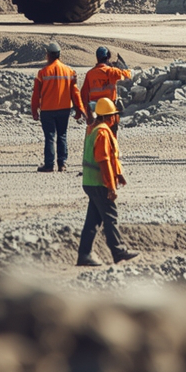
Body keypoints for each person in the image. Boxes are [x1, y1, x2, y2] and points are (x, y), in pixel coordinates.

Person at [76, 97, 138, 267]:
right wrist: (110, 187)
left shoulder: (92, 129)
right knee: (111, 217)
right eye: (114, 115)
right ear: (109, 117)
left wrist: (119, 175)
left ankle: (84, 254)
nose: (115, 119)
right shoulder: (103, 132)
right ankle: (118, 252)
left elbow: (109, 160)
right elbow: (103, 161)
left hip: (89, 182)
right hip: (98, 182)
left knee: (93, 220)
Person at [30, 40, 85, 172]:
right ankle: (62, 164)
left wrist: (34, 110)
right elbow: (75, 93)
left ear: (48, 55)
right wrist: (79, 109)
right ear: (59, 55)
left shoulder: (42, 73)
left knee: (49, 137)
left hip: (47, 110)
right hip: (64, 109)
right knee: (62, 135)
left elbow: (36, 94)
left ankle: (49, 165)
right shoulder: (69, 71)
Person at [81, 46, 132, 133]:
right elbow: (128, 76)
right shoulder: (112, 71)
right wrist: (121, 68)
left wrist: (87, 113)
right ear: (108, 57)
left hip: (95, 112)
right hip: (109, 112)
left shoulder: (90, 74)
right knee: (111, 137)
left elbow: (83, 94)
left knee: (96, 138)